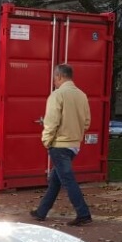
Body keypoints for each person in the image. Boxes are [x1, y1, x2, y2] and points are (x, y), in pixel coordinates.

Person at [30, 64, 92, 226]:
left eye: (54, 78)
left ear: (59, 76)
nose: (54, 81)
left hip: (59, 144)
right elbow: (86, 122)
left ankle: (83, 213)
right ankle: (41, 211)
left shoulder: (57, 95)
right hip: (74, 144)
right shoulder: (82, 95)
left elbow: (52, 121)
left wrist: (46, 139)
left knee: (67, 180)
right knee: (56, 179)